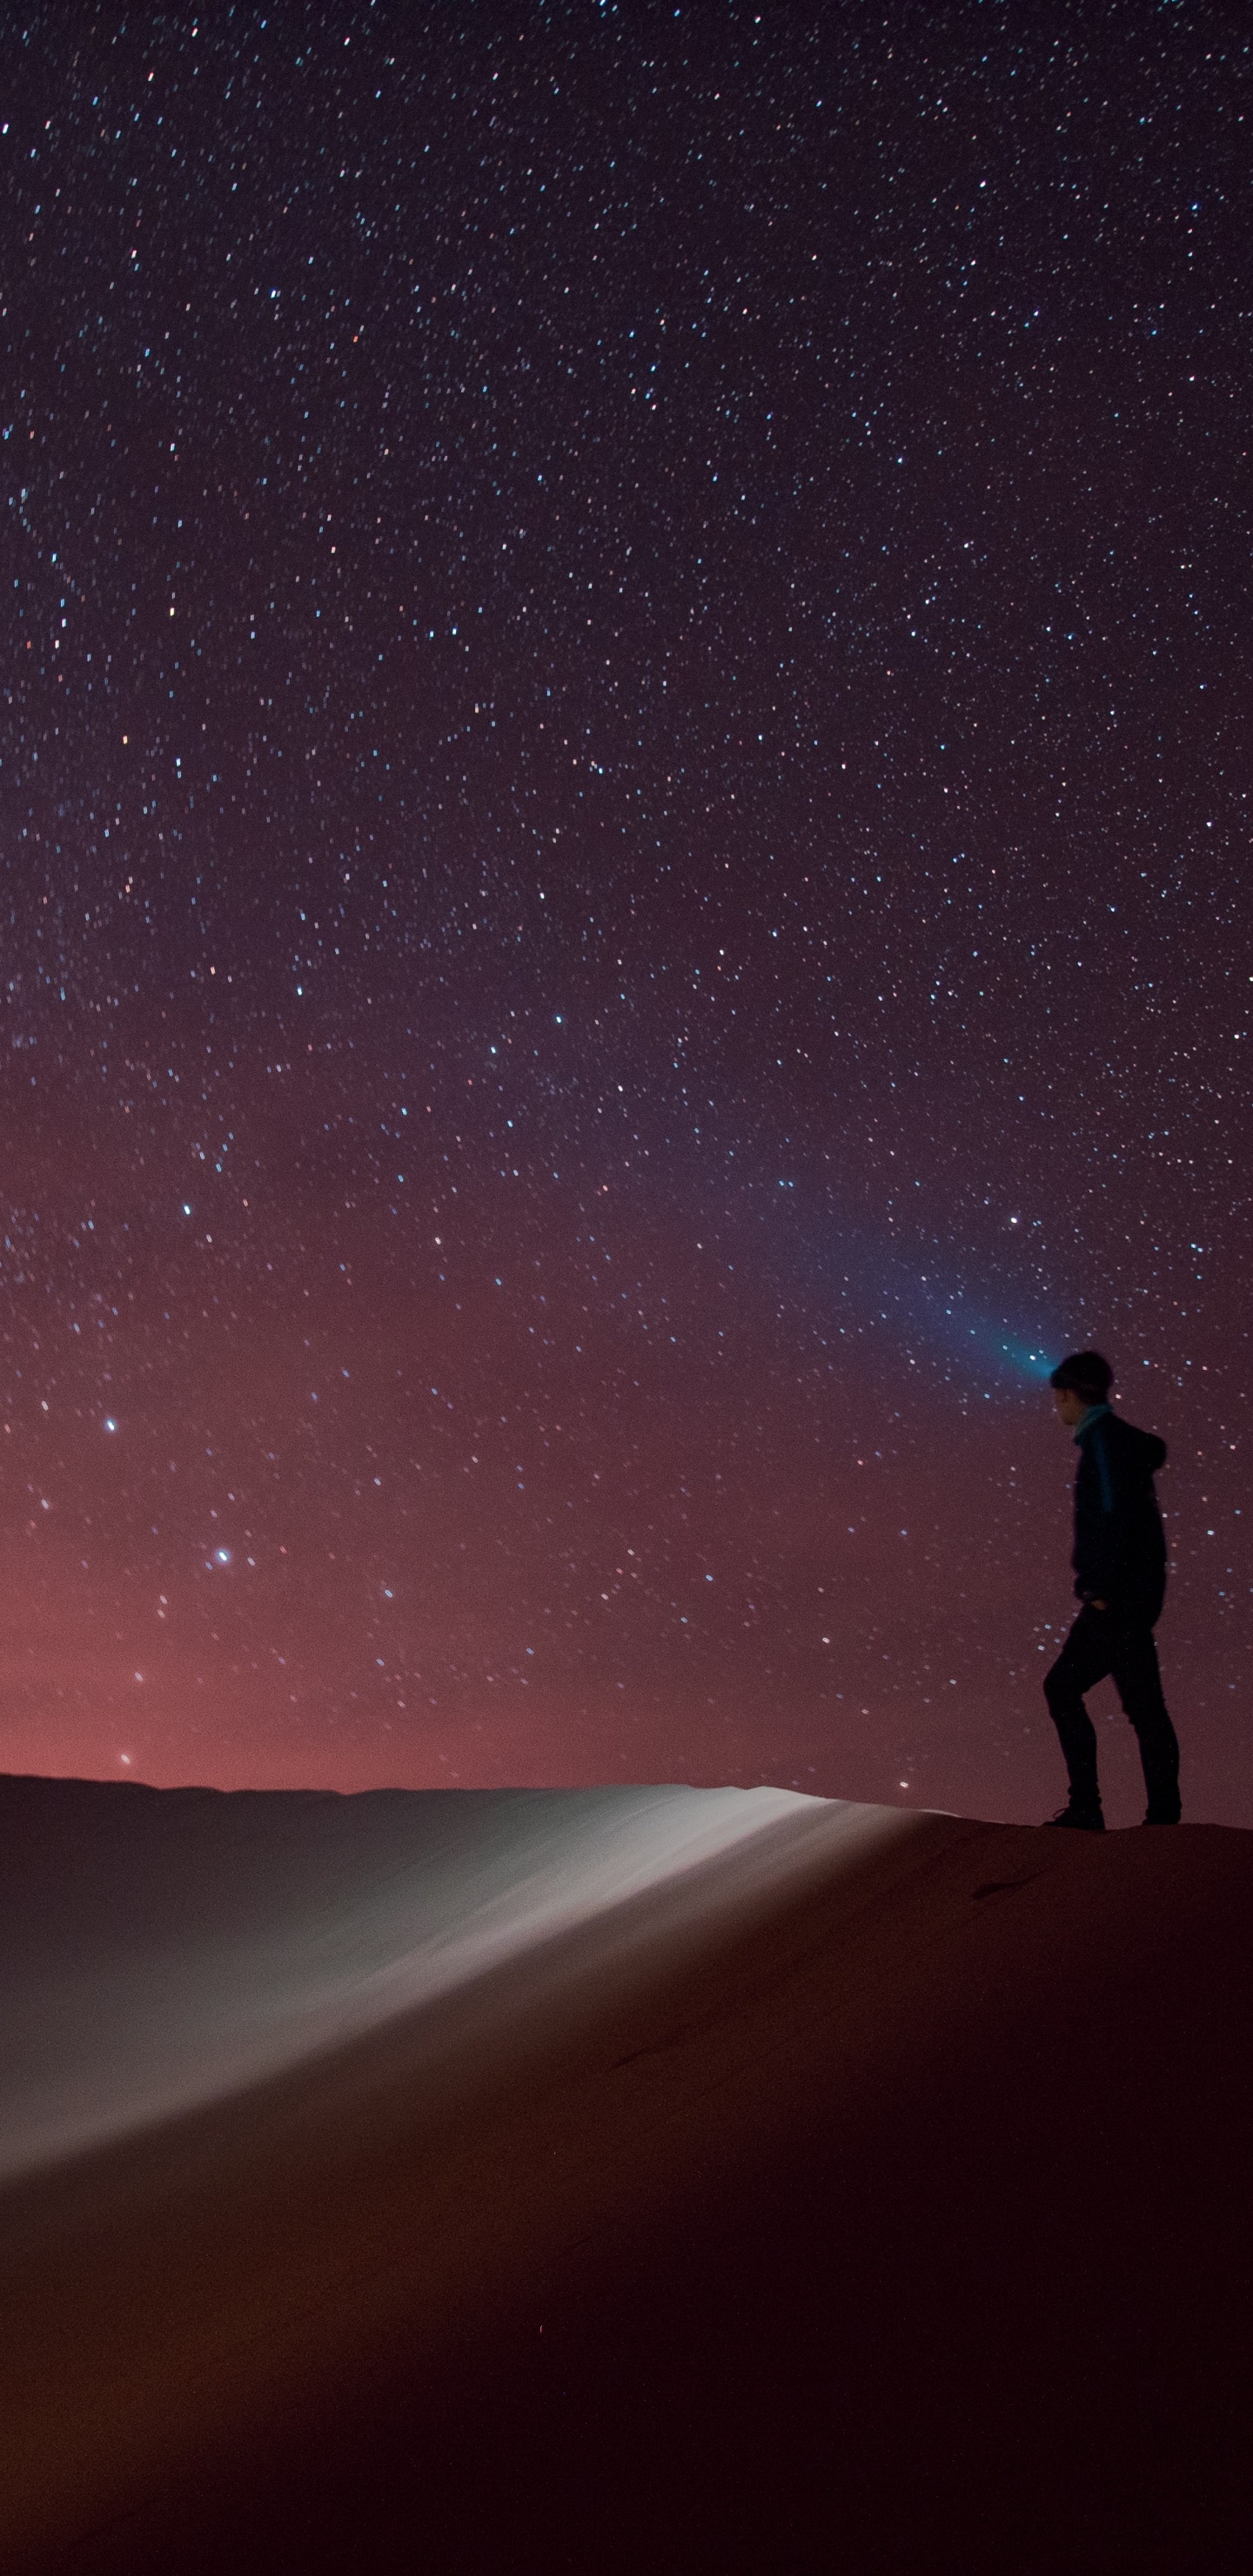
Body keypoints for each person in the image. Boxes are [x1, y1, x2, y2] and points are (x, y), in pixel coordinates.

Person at [1042, 1351, 1181, 1830]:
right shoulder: (1113, 1441)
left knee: (1064, 1689)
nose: (1055, 1407)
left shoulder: (1104, 1441)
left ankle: (1089, 1808)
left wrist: (1098, 1586)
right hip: (1133, 1595)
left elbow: (1112, 1514)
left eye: (1057, 1396)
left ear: (1067, 1392)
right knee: (1143, 1707)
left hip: (1117, 1599)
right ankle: (1160, 1816)